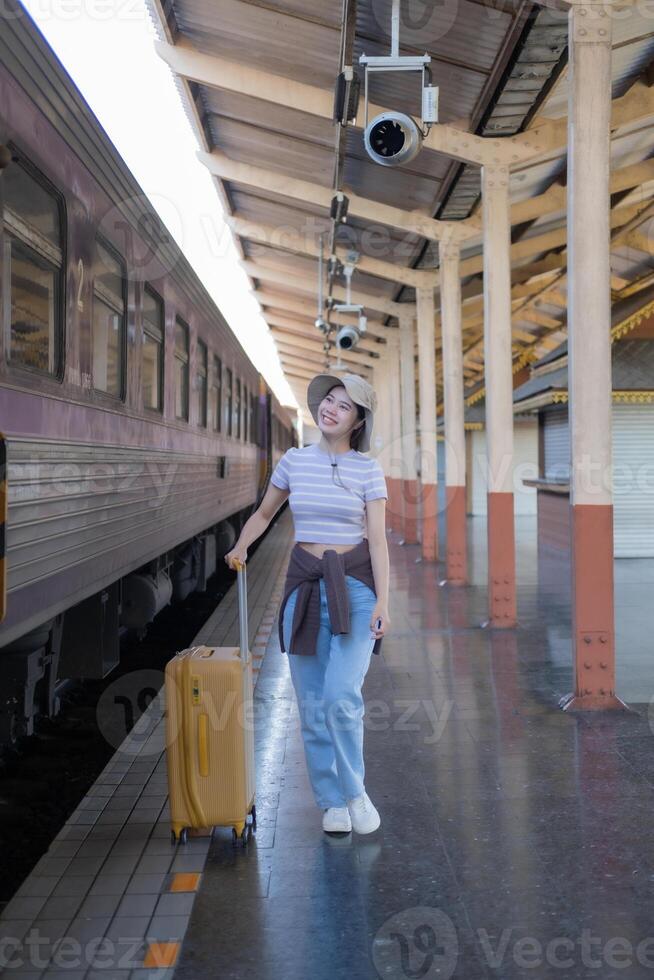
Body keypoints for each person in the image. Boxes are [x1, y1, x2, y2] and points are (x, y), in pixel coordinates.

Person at [225, 373, 391, 836]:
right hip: (303, 586)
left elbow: (377, 542)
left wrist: (384, 600)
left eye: (344, 406)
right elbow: (263, 514)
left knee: (341, 694)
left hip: (354, 585)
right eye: (329, 401)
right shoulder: (294, 461)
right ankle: (331, 801)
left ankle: (355, 792)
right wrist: (241, 546)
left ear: (358, 421)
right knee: (312, 701)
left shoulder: (367, 469)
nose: (331, 409)